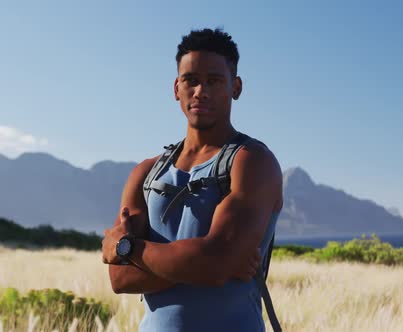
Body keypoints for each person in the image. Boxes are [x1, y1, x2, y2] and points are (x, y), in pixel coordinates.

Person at [101, 28, 283, 332]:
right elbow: (120, 279)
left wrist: (127, 249)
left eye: (213, 81)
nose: (201, 91)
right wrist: (210, 264)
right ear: (176, 88)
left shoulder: (251, 162)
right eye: (191, 80)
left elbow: (216, 262)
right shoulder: (146, 173)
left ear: (235, 87)